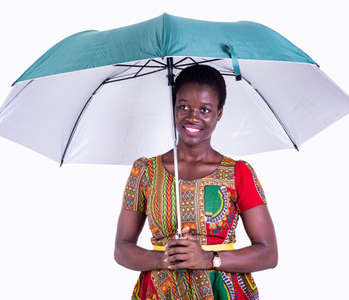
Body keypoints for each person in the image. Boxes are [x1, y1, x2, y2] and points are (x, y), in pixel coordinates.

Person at [114, 64, 278, 299]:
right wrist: (162, 258)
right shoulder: (145, 172)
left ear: (219, 113)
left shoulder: (239, 173)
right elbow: (122, 248)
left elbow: (268, 253)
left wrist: (209, 259)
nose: (193, 116)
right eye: (183, 106)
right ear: (173, 108)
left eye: (205, 109)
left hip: (223, 292)